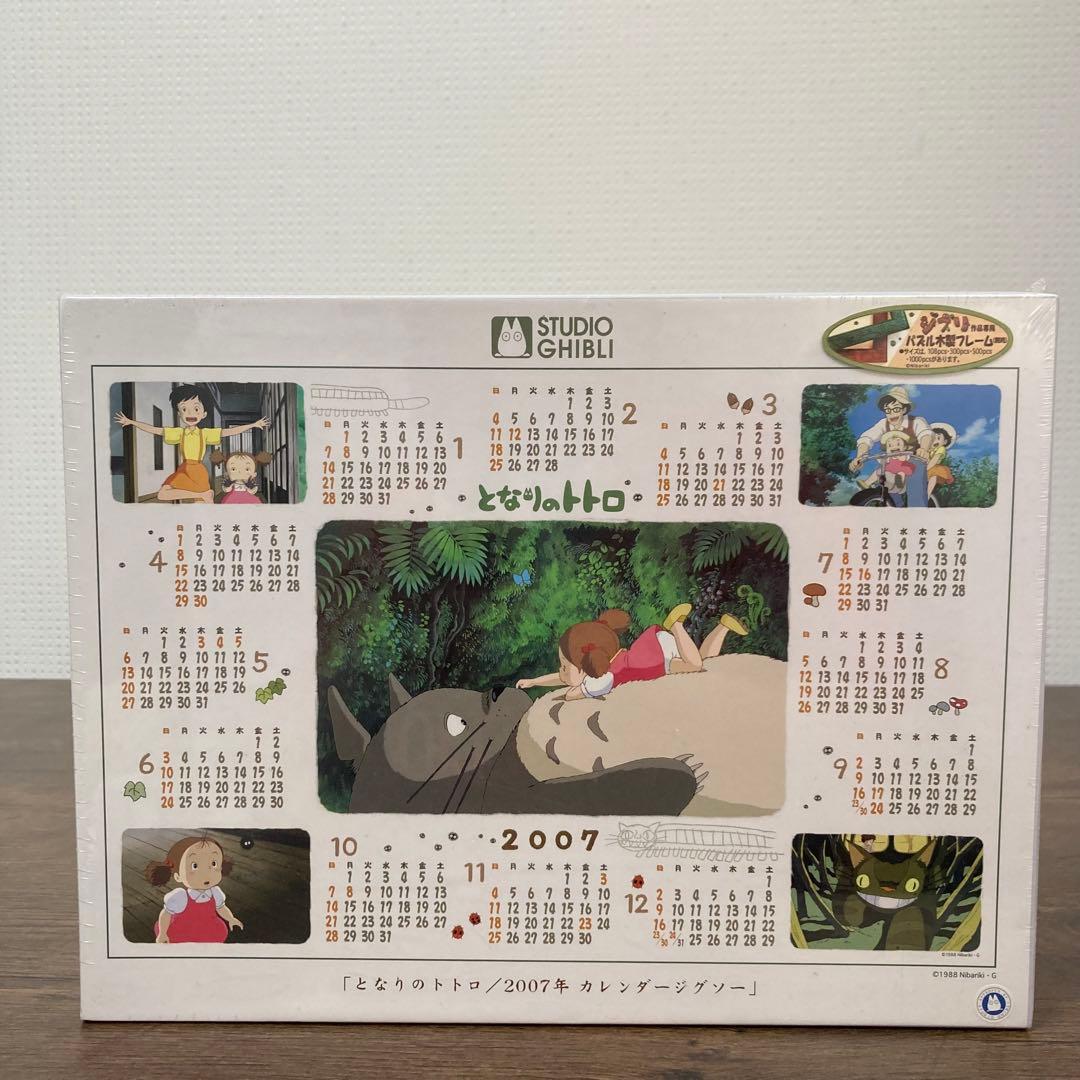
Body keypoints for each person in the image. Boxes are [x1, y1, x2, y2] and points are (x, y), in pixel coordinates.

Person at [516, 605, 748, 702]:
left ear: (583, 665)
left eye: (565, 665)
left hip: (654, 660)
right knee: (704, 662)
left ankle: (676, 624)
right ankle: (723, 626)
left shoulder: (601, 679)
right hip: (654, 646)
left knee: (695, 665)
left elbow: (571, 692)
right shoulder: (597, 669)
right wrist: (534, 681)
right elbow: (565, 679)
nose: (561, 671)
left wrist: (569, 693)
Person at [115, 384, 268, 504]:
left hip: (197, 469)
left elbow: (228, 432)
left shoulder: (205, 433)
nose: (190, 413)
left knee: (203, 505)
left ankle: (203, 497)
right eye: (184, 409)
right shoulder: (179, 433)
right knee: (163, 494)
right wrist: (132, 422)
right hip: (184, 468)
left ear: (204, 413)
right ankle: (203, 494)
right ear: (179, 413)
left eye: (196, 408)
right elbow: (156, 430)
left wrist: (253, 425)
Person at [144, 835, 244, 944]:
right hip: (182, 931)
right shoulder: (180, 897)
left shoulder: (215, 892)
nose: (206, 873)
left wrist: (231, 918)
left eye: (213, 864)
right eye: (195, 866)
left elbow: (221, 907)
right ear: (178, 876)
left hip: (208, 929)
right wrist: (163, 933)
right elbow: (166, 914)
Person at [849, 386, 932, 478]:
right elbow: (866, 438)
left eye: (896, 409)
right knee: (880, 476)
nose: (892, 413)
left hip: (914, 463)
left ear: (904, 409)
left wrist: (923, 449)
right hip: (892, 464)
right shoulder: (883, 423)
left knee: (915, 482)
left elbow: (925, 434)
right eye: (888, 410)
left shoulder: (916, 421)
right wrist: (860, 457)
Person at [859, 429, 918, 493]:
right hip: (888, 475)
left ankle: (899, 482)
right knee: (878, 471)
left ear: (905, 447)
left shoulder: (903, 455)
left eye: (898, 444)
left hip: (899, 473)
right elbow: (881, 460)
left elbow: (904, 458)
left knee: (901, 473)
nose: (894, 447)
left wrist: (899, 455)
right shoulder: (888, 458)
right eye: (890, 445)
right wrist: (877, 457)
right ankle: (867, 483)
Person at [926, 422, 957, 499]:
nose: (935, 441)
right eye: (933, 438)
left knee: (934, 477)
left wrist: (926, 469)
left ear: (945, 442)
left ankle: (927, 495)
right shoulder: (929, 449)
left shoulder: (941, 449)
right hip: (927, 466)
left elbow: (934, 460)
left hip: (933, 467)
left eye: (938, 438)